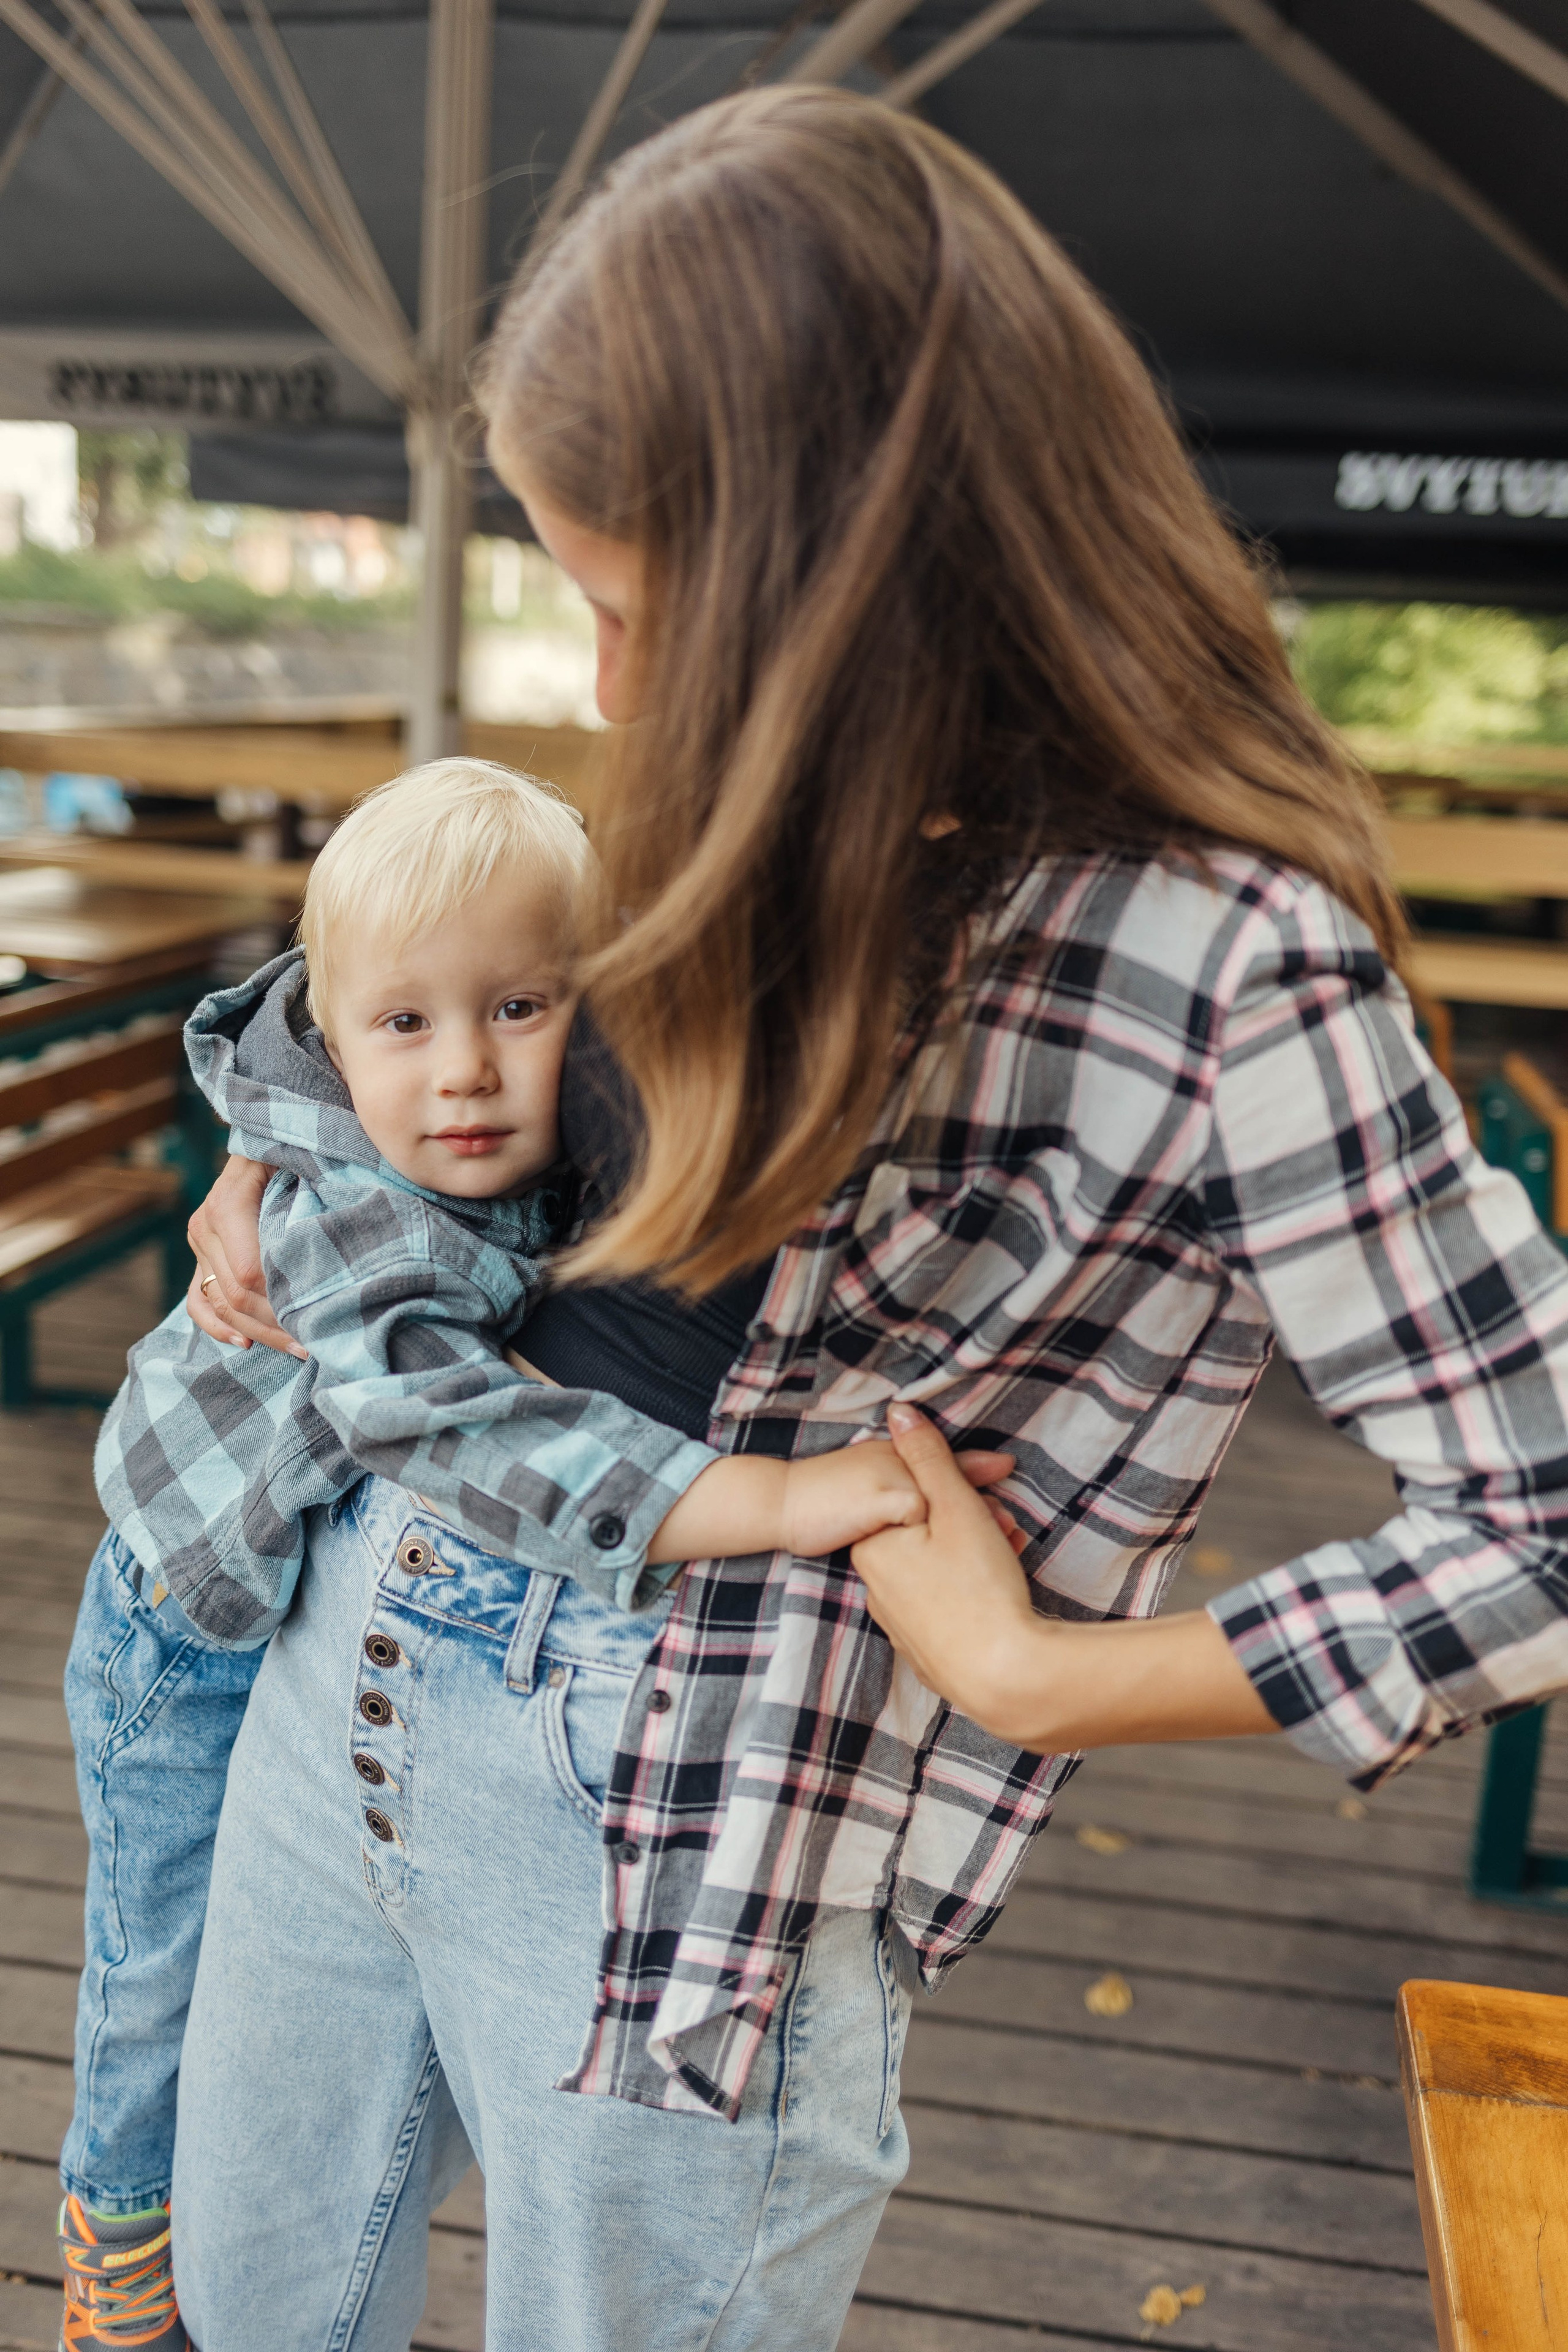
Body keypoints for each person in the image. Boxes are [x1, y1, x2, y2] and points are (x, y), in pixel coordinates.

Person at [174, 81, 1568, 2352]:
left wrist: (1054, 1678)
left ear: (831, 573)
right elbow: (499, 1086)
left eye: (640, 609)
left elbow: (1547, 1501)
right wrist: (305, 1133)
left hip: (685, 1839)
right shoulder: (746, 785)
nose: (613, 692)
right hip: (355, 1652)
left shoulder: (1223, 962)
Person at [61, 757, 1006, 2351]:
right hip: (189, 1608)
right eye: (408, 1028)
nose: (466, 1078)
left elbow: (334, 997)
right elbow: (456, 1426)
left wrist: (283, 1113)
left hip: (321, 1576)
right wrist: (775, 1498)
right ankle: (112, 2234)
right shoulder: (363, 1217)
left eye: (521, 1010)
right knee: (157, 1965)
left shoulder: (504, 1101)